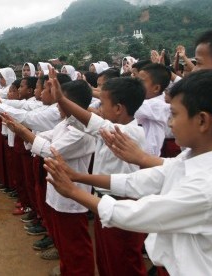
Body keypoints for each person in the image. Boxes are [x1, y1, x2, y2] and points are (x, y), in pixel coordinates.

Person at [44, 70, 212, 275]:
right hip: (163, 261)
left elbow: (138, 214)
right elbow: (135, 180)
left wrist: (74, 191)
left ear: (202, 121)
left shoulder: (210, 186)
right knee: (111, 264)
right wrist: (77, 177)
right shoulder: (188, 159)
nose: (170, 123)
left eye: (174, 114)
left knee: (123, 264)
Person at [1, 79, 96, 276]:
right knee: (64, 242)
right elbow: (46, 136)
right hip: (58, 190)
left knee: (75, 244)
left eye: (61, 101)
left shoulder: (82, 131)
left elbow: (51, 150)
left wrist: (24, 132)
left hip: (72, 197)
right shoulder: (66, 123)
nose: (57, 106)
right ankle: (67, 269)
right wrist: (27, 133)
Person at [59, 75, 148, 276]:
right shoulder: (111, 127)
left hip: (123, 204)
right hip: (106, 201)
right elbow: (86, 124)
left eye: (103, 104)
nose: (99, 108)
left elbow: (95, 124)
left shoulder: (130, 132)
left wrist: (63, 100)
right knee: (108, 259)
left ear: (118, 109)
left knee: (124, 262)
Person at [134, 63, 171, 156]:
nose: (136, 85)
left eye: (141, 82)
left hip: (147, 157)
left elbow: (128, 107)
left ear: (156, 88)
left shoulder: (156, 105)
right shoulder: (147, 101)